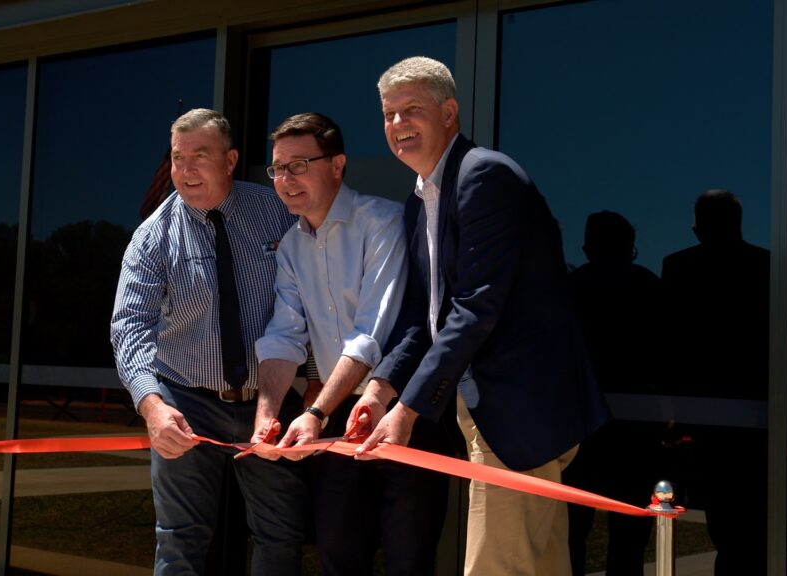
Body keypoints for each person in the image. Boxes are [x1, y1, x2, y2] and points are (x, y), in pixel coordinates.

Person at [353, 56, 610, 576]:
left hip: (518, 410)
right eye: (388, 114)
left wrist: (406, 413)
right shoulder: (419, 198)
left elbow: (475, 308)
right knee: (538, 564)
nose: (398, 125)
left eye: (412, 110)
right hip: (502, 410)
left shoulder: (483, 175)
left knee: (498, 567)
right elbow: (420, 317)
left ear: (449, 113)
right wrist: (379, 391)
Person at [252, 112, 458, 575]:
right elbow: (284, 338)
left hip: (403, 411)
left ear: (339, 164)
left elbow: (373, 332)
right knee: (338, 556)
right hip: (333, 419)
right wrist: (267, 414)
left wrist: (314, 412)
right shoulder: (289, 248)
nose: (285, 180)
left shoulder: (383, 221)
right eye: (278, 168)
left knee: (409, 561)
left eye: (300, 164)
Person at [110, 108, 306, 576]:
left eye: (200, 155)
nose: (186, 169)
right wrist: (152, 407)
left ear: (231, 159)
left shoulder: (275, 212)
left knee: (281, 536)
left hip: (270, 402)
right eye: (178, 158)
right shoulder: (152, 237)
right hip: (186, 403)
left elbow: (311, 296)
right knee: (179, 541)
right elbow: (129, 327)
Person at [661, 188, 769, 576]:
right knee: (752, 509)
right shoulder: (765, 266)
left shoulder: (678, 268)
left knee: (722, 509)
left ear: (697, 227)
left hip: (705, 409)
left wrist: (671, 409)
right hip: (754, 409)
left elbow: (670, 342)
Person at [564, 211, 661, 576]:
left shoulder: (569, 290)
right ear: (629, 245)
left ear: (589, 246)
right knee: (628, 534)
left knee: (572, 528)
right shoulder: (649, 286)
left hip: (580, 424)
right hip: (636, 426)